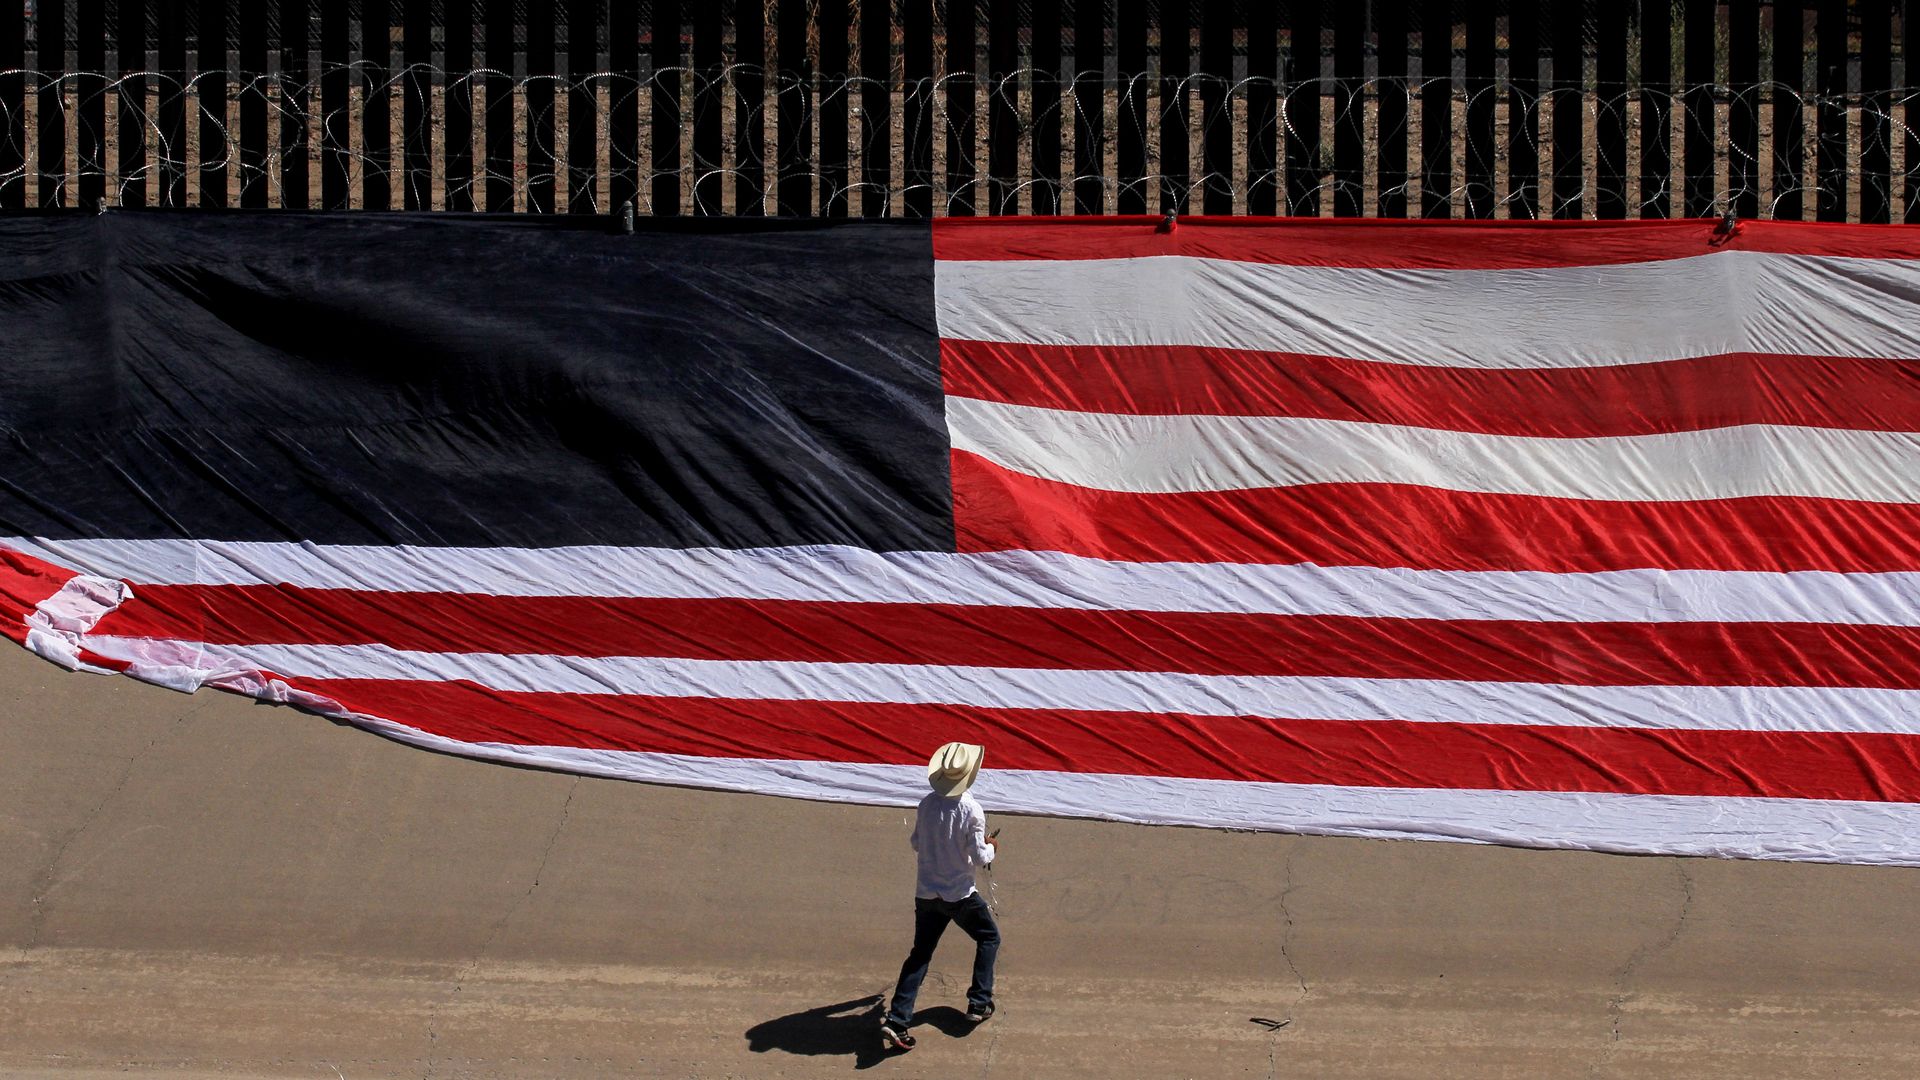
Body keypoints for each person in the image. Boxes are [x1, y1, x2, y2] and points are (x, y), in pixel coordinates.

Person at [878, 742, 1001, 1053]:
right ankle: (979, 1001)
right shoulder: (971, 809)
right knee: (989, 937)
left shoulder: (927, 804)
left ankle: (897, 1019)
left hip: (927, 893)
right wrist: (993, 848)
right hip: (959, 894)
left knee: (920, 954)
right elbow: (978, 856)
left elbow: (917, 843)